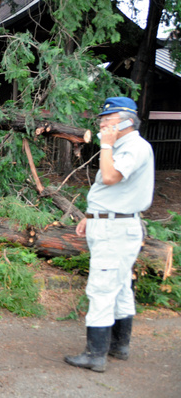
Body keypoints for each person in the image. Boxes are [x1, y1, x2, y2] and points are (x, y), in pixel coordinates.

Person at [65, 97, 155, 372]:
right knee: (120, 287)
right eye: (101, 122)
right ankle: (119, 346)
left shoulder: (134, 147)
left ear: (127, 121)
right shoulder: (125, 145)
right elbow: (111, 191)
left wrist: (105, 144)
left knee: (102, 288)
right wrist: (90, 217)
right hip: (110, 222)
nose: (102, 126)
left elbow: (111, 177)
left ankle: (95, 355)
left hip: (116, 229)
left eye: (108, 121)